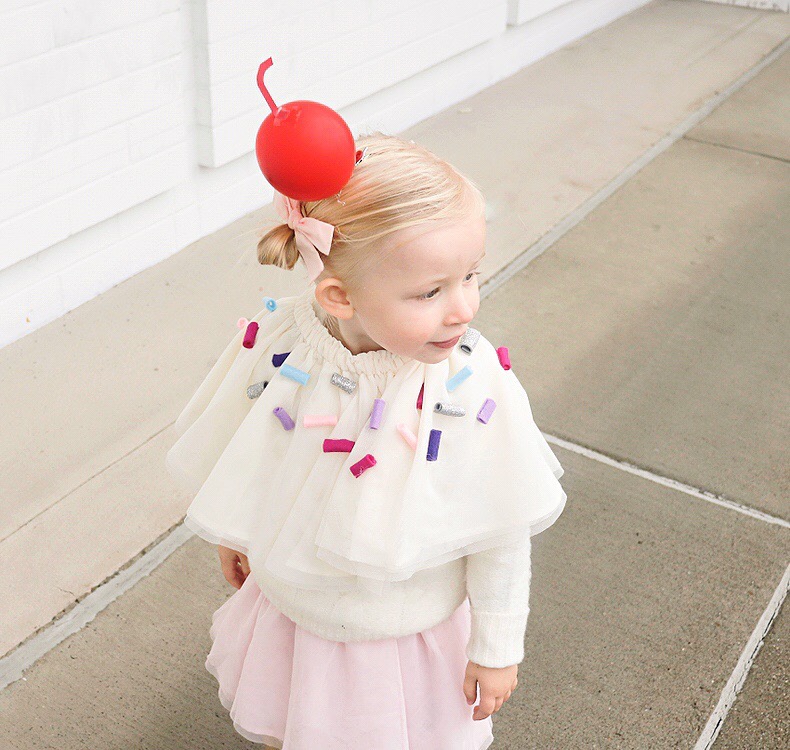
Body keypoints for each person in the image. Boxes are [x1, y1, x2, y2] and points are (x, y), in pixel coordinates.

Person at [166, 131, 567, 750]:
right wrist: (236, 532)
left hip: (404, 636)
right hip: (296, 611)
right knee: (296, 724)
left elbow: (499, 527)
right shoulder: (286, 345)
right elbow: (247, 446)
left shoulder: (466, 384)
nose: (463, 309)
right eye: (431, 292)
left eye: (470, 276)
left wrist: (496, 645)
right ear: (338, 296)